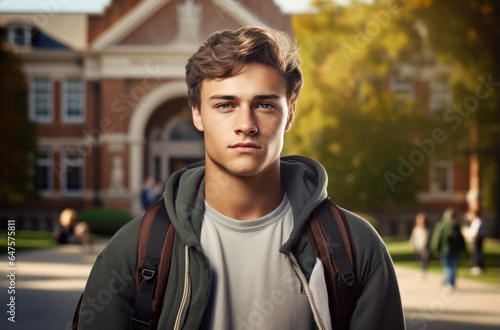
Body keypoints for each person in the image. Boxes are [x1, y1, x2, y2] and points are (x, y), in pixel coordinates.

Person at [78, 26, 405, 329]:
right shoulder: (133, 249)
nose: (245, 124)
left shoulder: (356, 248)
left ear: (290, 113)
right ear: (197, 113)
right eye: (225, 105)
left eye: (264, 104)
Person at [430, 207, 466, 289]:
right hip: (455, 249)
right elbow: (461, 238)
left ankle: (449, 282)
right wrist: (463, 249)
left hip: (445, 249)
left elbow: (437, 238)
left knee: (447, 266)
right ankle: (451, 282)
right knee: (453, 265)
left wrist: (436, 249)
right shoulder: (456, 224)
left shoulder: (442, 224)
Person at [464, 210, 486, 275]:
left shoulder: (477, 221)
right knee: (476, 252)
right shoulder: (475, 221)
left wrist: (467, 233)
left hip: (478, 238)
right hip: (476, 238)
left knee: (477, 252)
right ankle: (480, 266)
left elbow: (475, 232)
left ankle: (479, 267)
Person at [409, 212, 430, 277]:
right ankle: (423, 269)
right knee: (419, 258)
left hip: (424, 247)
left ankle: (424, 270)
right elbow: (413, 238)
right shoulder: (416, 229)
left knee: (424, 259)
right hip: (418, 247)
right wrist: (413, 244)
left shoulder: (426, 229)